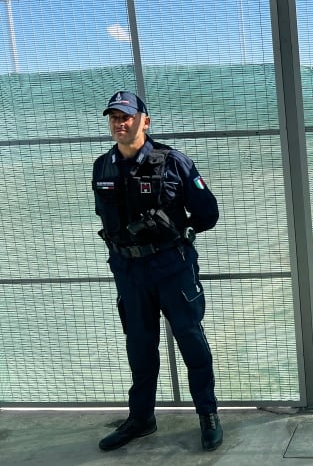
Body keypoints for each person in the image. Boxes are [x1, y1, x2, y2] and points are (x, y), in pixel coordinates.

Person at [92, 91, 223, 452]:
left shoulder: (174, 162)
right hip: (129, 271)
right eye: (114, 117)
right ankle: (141, 418)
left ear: (144, 122)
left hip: (171, 268)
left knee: (191, 342)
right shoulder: (102, 166)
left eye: (127, 117)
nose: (120, 123)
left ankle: (208, 415)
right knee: (140, 346)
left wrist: (178, 233)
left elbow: (208, 213)